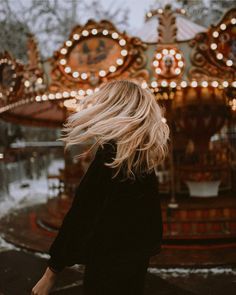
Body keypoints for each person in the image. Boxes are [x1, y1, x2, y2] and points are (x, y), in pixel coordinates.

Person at [31, 80, 169, 295]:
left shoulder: (111, 156)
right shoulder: (140, 159)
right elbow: (151, 226)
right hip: (134, 266)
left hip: (107, 268)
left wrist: (51, 273)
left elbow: (82, 214)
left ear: (114, 107)